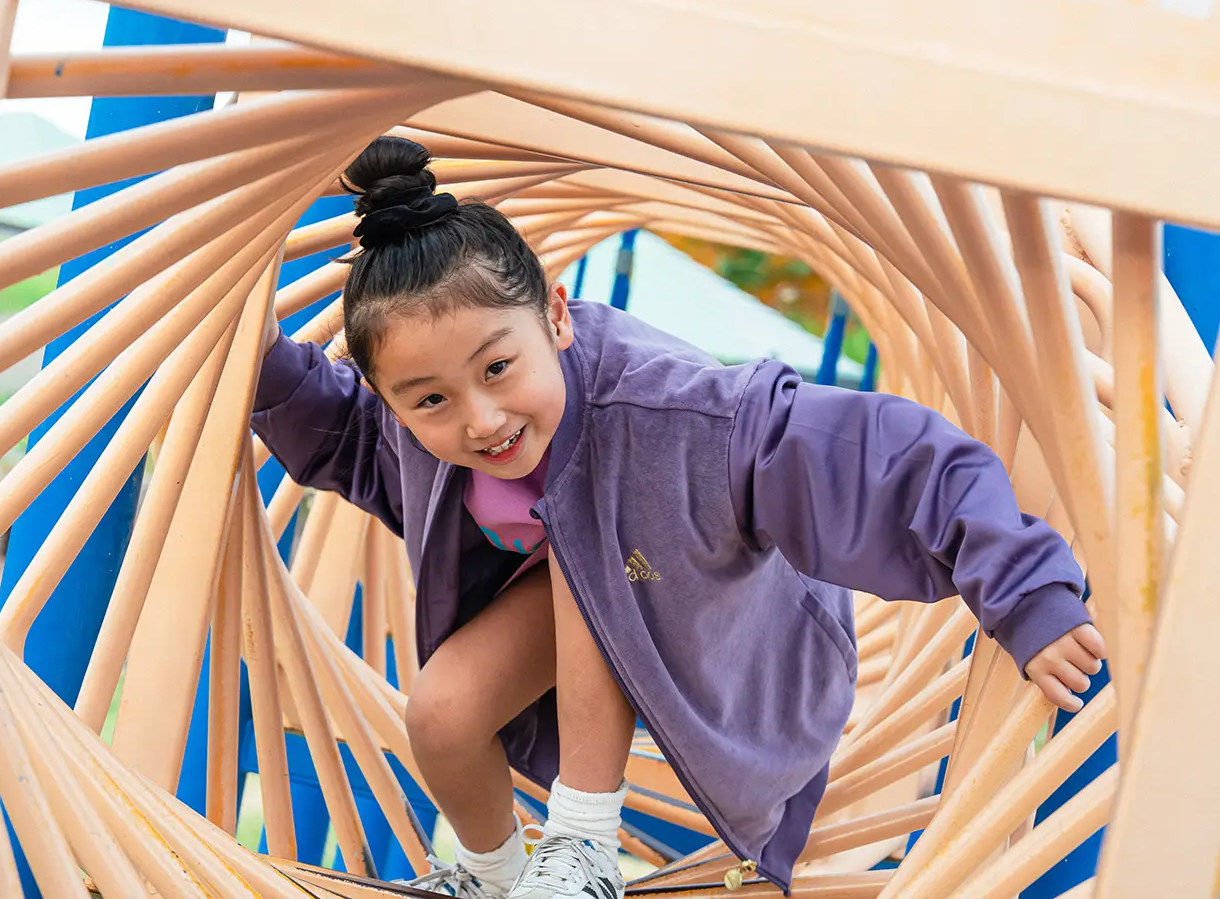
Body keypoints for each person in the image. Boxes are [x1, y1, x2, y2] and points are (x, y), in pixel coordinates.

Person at [251, 136, 1105, 899]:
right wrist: (261, 372)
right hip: (593, 594)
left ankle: (580, 850)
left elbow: (884, 454)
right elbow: (356, 443)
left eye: (500, 367)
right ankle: (494, 876)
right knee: (439, 709)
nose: (478, 419)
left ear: (554, 314)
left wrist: (1026, 588)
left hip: (743, 631)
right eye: (431, 399)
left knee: (590, 536)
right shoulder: (428, 438)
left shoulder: (689, 420)